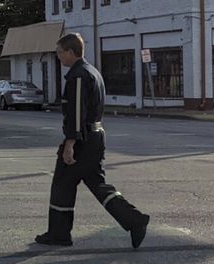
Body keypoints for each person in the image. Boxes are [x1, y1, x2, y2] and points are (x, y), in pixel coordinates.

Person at [35, 32, 149, 249]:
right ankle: (134, 220)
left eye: (59, 53)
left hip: (83, 139)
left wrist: (70, 144)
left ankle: (59, 234)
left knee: (62, 183)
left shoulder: (78, 75)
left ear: (70, 51)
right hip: (94, 136)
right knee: (96, 184)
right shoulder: (93, 72)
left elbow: (77, 112)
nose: (58, 57)